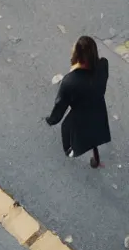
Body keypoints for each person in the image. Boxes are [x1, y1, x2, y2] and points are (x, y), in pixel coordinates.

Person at [45, 36, 111, 168]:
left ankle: (70, 150)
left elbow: (60, 106)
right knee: (95, 135)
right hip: (97, 107)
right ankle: (95, 159)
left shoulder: (70, 81)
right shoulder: (103, 65)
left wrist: (52, 119)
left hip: (80, 113)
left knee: (67, 129)